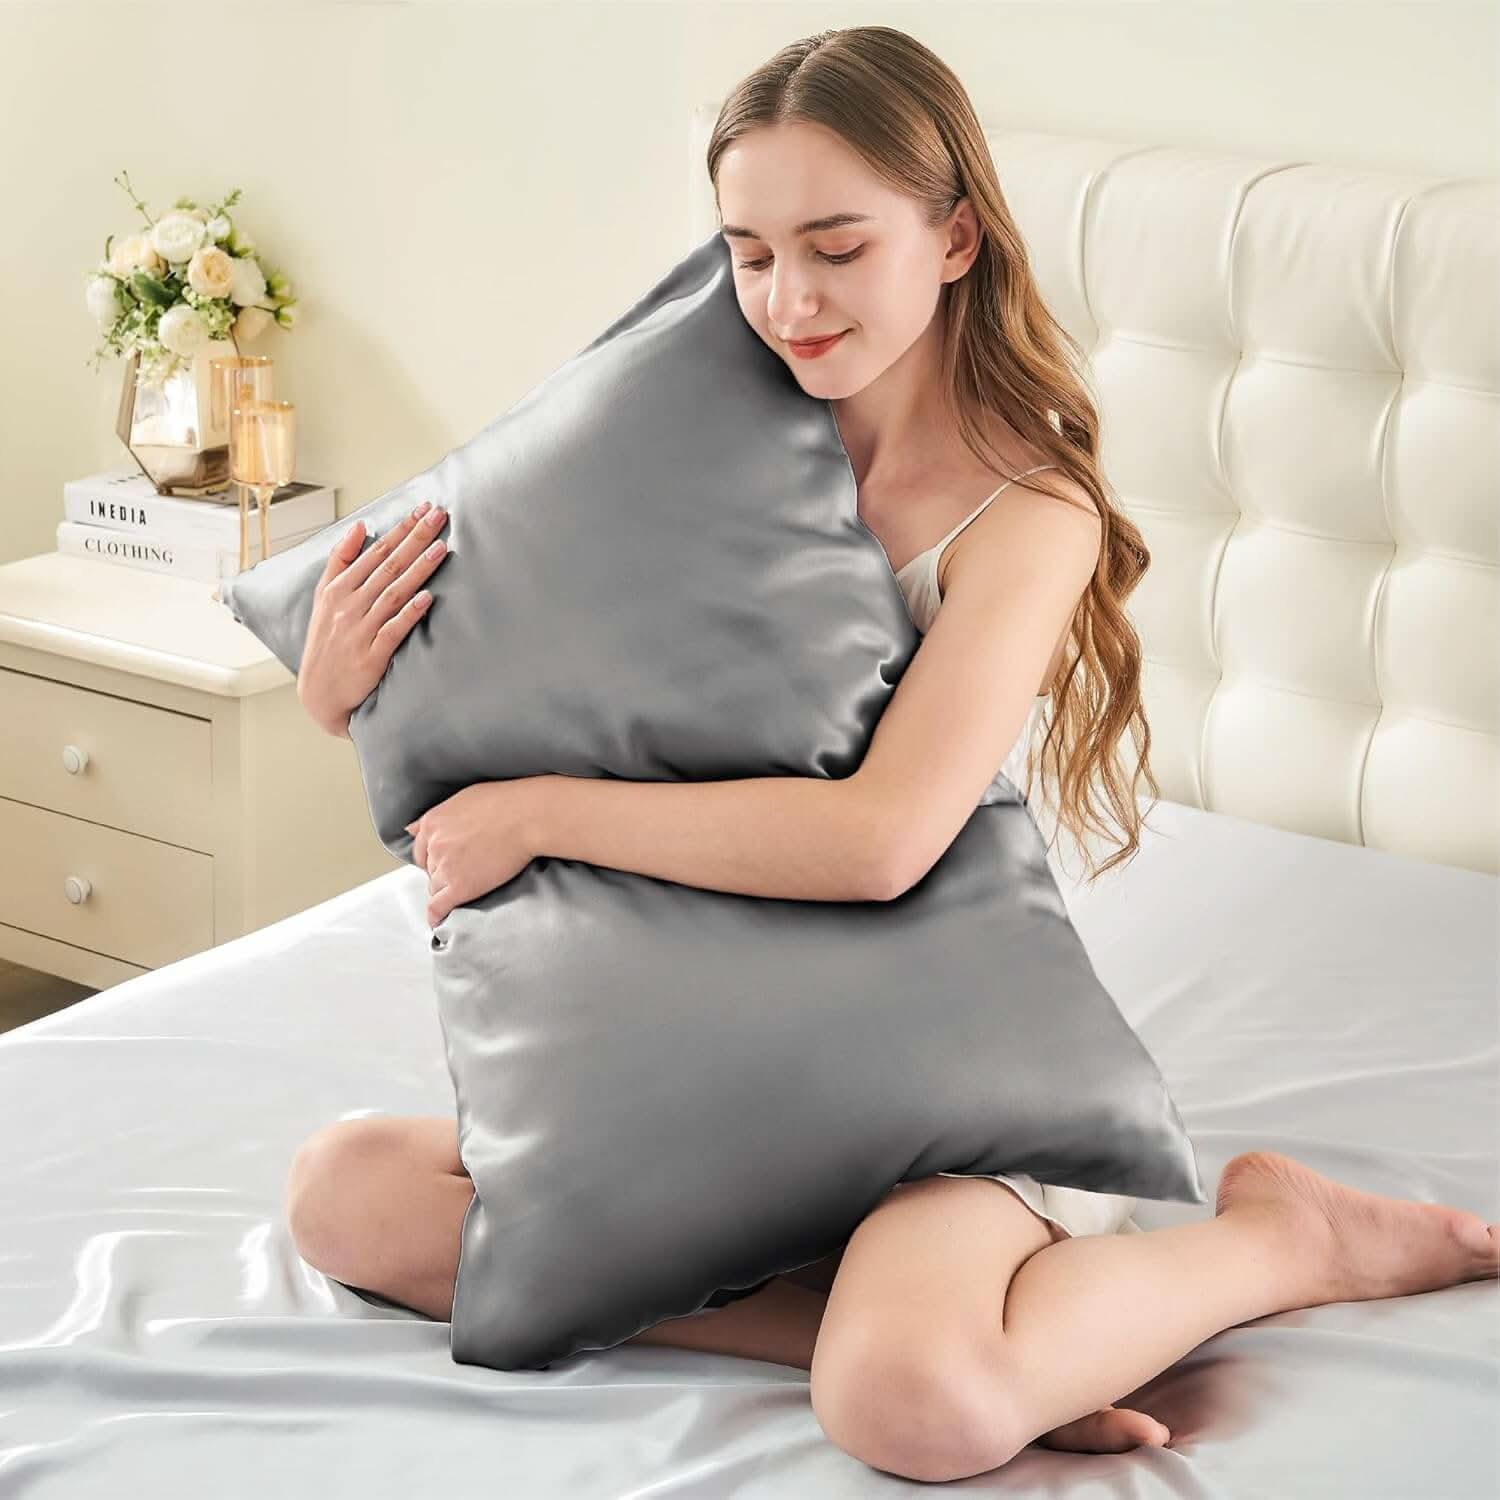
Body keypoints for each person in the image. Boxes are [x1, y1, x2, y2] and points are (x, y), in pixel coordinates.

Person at [284, 25, 1499, 1484]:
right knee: (347, 1196)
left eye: (838, 246)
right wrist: (342, 685)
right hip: (707, 1049)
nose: (787, 300)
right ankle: (923, 1335)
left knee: (908, 1411)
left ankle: (1274, 1241)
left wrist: (543, 814)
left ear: (955, 238)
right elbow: (535, 684)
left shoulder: (1024, 512)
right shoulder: (678, 442)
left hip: (947, 1092)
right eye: (746, 252)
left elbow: (882, 839)